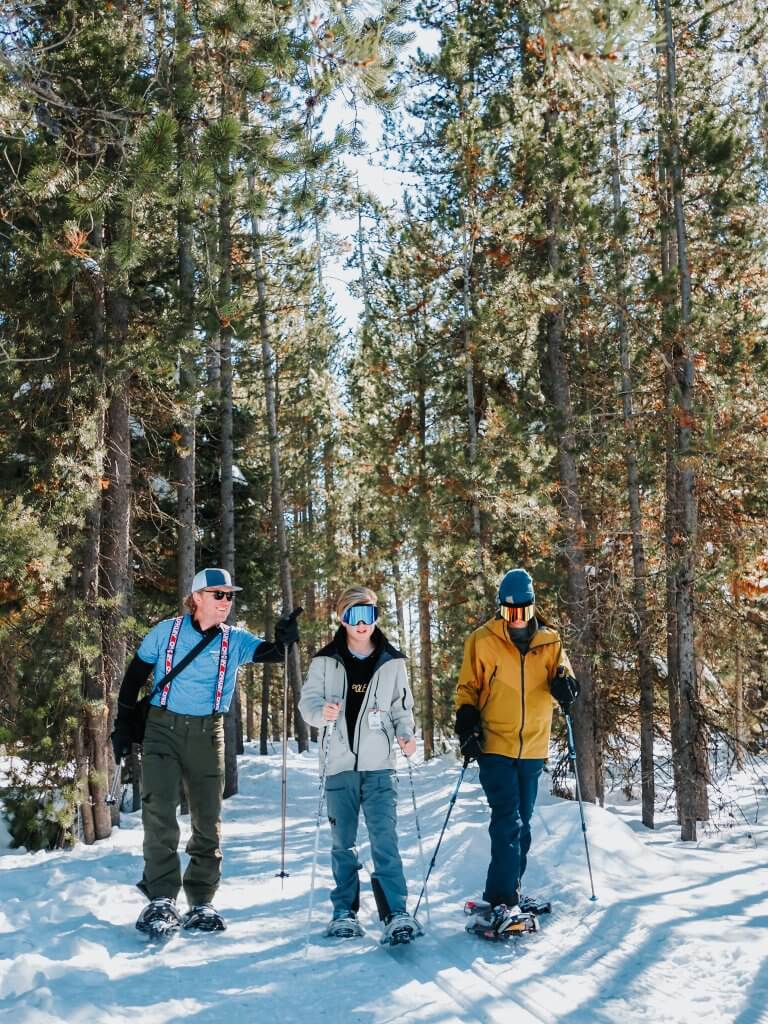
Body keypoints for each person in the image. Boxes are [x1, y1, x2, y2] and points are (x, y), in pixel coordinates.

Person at [111, 567, 299, 937]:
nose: (226, 602)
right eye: (218, 595)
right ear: (196, 597)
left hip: (208, 732)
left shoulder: (235, 640)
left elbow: (273, 654)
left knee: (207, 816)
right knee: (159, 810)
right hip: (161, 729)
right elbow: (133, 678)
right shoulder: (165, 633)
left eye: (230, 596)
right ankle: (161, 898)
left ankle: (201, 901)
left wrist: (285, 638)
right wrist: (121, 725)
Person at [454, 568, 580, 937]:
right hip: (494, 744)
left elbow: (566, 677)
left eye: (521, 611)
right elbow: (467, 689)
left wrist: (567, 686)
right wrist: (466, 723)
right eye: (508, 613)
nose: (516, 620)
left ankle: (509, 892)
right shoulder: (481, 640)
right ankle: (502, 898)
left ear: (532, 607)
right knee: (508, 820)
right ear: (500, 610)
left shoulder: (550, 641)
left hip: (533, 747)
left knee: (522, 826)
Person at [298, 585, 422, 945]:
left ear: (376, 618)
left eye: (369, 616)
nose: (362, 624)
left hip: (380, 764)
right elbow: (308, 704)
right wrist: (321, 713)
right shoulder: (325, 661)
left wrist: (406, 735)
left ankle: (395, 911)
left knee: (385, 838)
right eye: (354, 616)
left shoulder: (392, 661)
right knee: (343, 842)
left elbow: (403, 708)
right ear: (342, 618)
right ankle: (344, 912)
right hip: (339, 765)